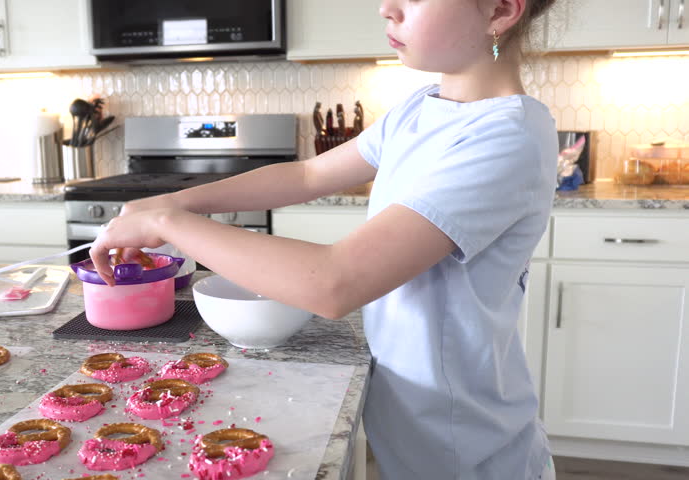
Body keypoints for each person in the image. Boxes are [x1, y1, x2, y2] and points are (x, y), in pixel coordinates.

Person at [90, 0, 559, 478]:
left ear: (500, 11)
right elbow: (310, 173)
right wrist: (174, 202)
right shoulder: (421, 108)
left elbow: (336, 283)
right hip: (415, 436)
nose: (386, 8)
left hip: (472, 453)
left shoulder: (507, 137)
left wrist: (170, 225)